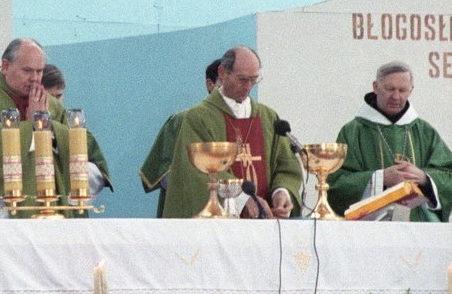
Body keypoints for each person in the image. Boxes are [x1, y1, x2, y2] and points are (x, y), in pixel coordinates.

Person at [0, 38, 111, 218]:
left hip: (53, 208)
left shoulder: (49, 104)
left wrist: (49, 129)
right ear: (5, 66)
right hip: (2, 209)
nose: (35, 79)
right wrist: (31, 127)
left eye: (39, 71)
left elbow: (80, 140)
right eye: (27, 71)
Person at [161, 46, 301, 219]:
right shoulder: (198, 118)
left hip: (266, 223)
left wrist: (281, 193)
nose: (248, 86)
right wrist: (241, 198)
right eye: (242, 79)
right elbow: (196, 172)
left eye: (254, 79)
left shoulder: (268, 117)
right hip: (219, 226)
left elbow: (286, 166)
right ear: (222, 72)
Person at [327, 61, 452, 221]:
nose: (396, 96)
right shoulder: (353, 131)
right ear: (376, 87)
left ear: (411, 90)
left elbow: (448, 175)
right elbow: (336, 185)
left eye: (402, 90)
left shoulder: (424, 131)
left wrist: (424, 178)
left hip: (419, 229)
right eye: (389, 89)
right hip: (369, 232)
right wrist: (381, 178)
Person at [139, 59, 221, 217]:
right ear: (210, 84)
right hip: (190, 212)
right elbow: (168, 175)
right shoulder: (183, 120)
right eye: (224, 82)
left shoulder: (247, 121)